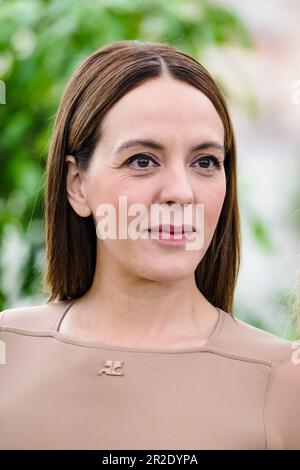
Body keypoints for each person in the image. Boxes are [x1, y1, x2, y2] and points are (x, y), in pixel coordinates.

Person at [0, 40, 299, 450]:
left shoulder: (285, 380)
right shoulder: (8, 350)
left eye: (205, 162)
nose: (181, 191)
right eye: (143, 160)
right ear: (77, 185)